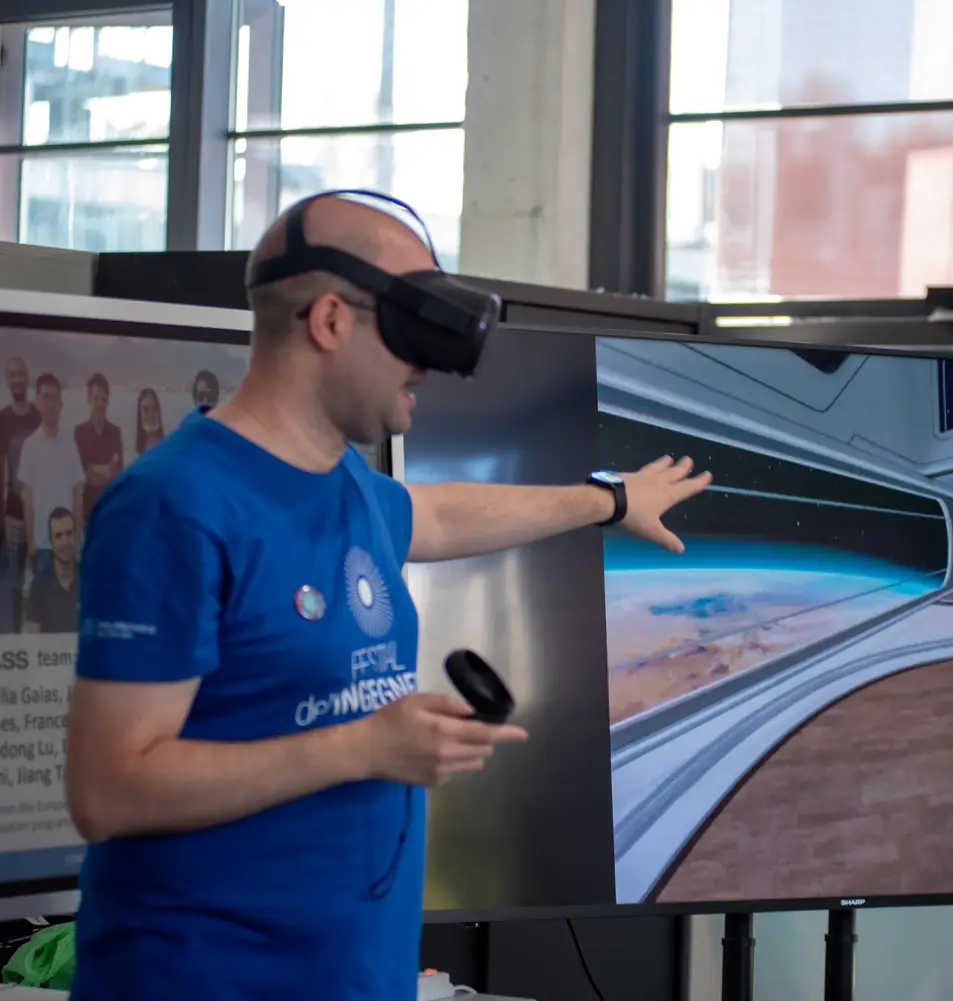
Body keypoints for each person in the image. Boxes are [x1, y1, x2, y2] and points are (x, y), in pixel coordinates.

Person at [63, 192, 712, 1001]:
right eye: (412, 327)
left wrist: (608, 501)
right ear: (330, 321)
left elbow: (436, 514)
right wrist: (363, 748)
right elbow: (108, 790)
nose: (430, 365)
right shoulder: (175, 505)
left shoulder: (343, 483)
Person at [16, 374, 84, 588]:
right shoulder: (29, 447)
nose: (50, 404)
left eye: (54, 397)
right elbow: (27, 498)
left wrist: (77, 537)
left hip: (67, 542)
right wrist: (31, 541)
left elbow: (77, 494)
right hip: (43, 544)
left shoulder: (70, 445)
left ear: (61, 403)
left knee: (68, 602)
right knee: (43, 601)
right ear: (37, 402)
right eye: (46, 397)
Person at [0, 357, 40, 633]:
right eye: (12, 374)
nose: (17, 379)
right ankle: (14, 638)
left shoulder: (38, 416)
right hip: (13, 516)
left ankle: (39, 640)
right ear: (7, 380)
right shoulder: (2, 419)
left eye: (20, 373)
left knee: (39, 581)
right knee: (14, 585)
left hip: (39, 515)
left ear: (27, 378)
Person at [74, 373, 124, 525]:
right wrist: (106, 469)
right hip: (88, 516)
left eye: (104, 399)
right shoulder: (79, 433)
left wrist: (92, 468)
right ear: (88, 400)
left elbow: (118, 474)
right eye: (96, 398)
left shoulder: (115, 432)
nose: (100, 403)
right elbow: (80, 475)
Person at [22, 507, 78, 635]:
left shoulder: (90, 580)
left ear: (76, 536)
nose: (65, 541)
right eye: (59, 536)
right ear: (51, 543)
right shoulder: (39, 585)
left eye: (69, 533)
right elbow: (31, 636)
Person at [133, 387, 164, 458]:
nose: (151, 414)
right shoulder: (134, 456)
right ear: (140, 414)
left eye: (154, 408)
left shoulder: (168, 448)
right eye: (145, 409)